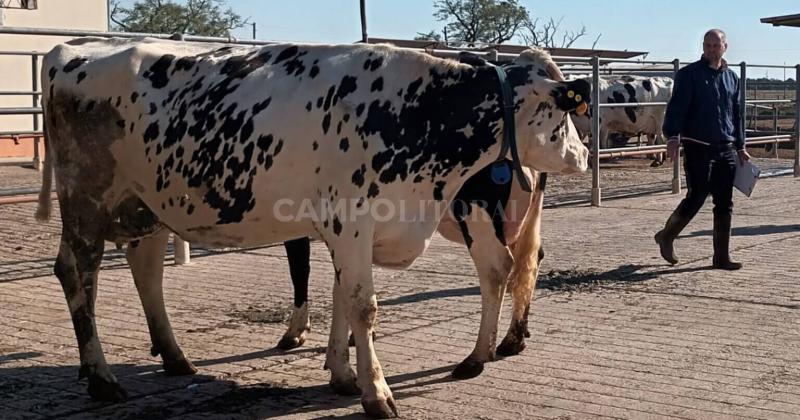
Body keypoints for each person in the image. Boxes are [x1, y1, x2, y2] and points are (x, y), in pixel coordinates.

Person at [654, 28, 751, 270]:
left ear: (724, 47)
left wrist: (740, 145)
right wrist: (673, 136)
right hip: (698, 145)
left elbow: (737, 114)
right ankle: (668, 234)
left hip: (726, 147)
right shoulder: (689, 75)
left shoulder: (732, 78)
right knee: (697, 194)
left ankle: (721, 257)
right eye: (707, 45)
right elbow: (677, 107)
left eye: (715, 46)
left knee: (725, 202)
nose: (710, 50)